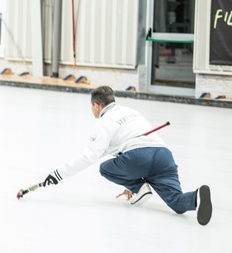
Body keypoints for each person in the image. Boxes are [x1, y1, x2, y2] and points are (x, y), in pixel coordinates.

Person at [40, 85, 212, 225]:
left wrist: (59, 174)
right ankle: (195, 196)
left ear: (96, 105)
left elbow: (89, 157)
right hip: (163, 155)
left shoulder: (103, 123)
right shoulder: (130, 111)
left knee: (105, 168)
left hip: (138, 157)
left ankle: (140, 188)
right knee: (177, 203)